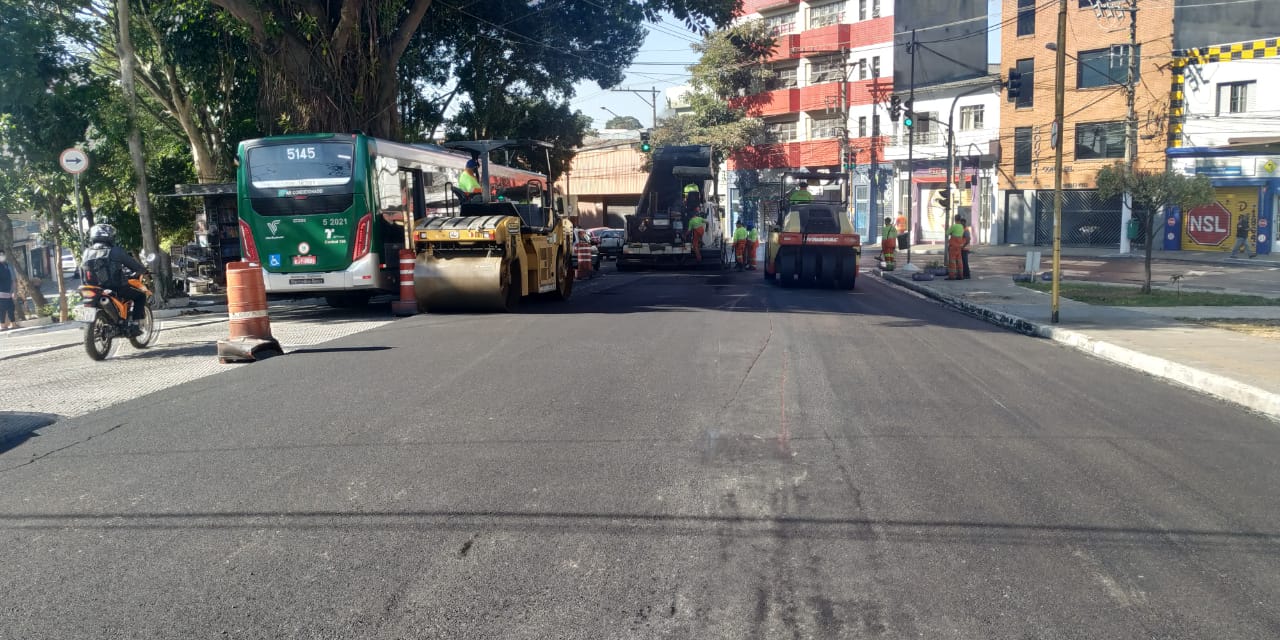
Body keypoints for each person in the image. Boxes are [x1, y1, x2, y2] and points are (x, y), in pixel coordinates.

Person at [80, 224, 148, 336]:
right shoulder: (116, 251)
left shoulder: (86, 252)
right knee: (140, 296)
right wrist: (141, 271)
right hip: (116, 287)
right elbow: (135, 267)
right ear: (110, 237)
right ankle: (135, 325)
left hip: (93, 289)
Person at [0, 249, 16, 330]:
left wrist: (13, 291)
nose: (1, 256)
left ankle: (13, 324)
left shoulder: (7, 265)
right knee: (2, 309)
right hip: (1, 292)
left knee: (11, 308)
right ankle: (2, 325)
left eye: (2, 255)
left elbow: (12, 279)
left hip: (9, 291)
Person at [945, 215, 965, 280]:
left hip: (953, 246)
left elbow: (947, 233)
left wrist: (951, 233)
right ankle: (960, 275)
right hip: (959, 246)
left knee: (952, 261)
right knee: (959, 261)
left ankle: (952, 276)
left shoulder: (954, 226)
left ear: (955, 219)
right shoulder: (962, 227)